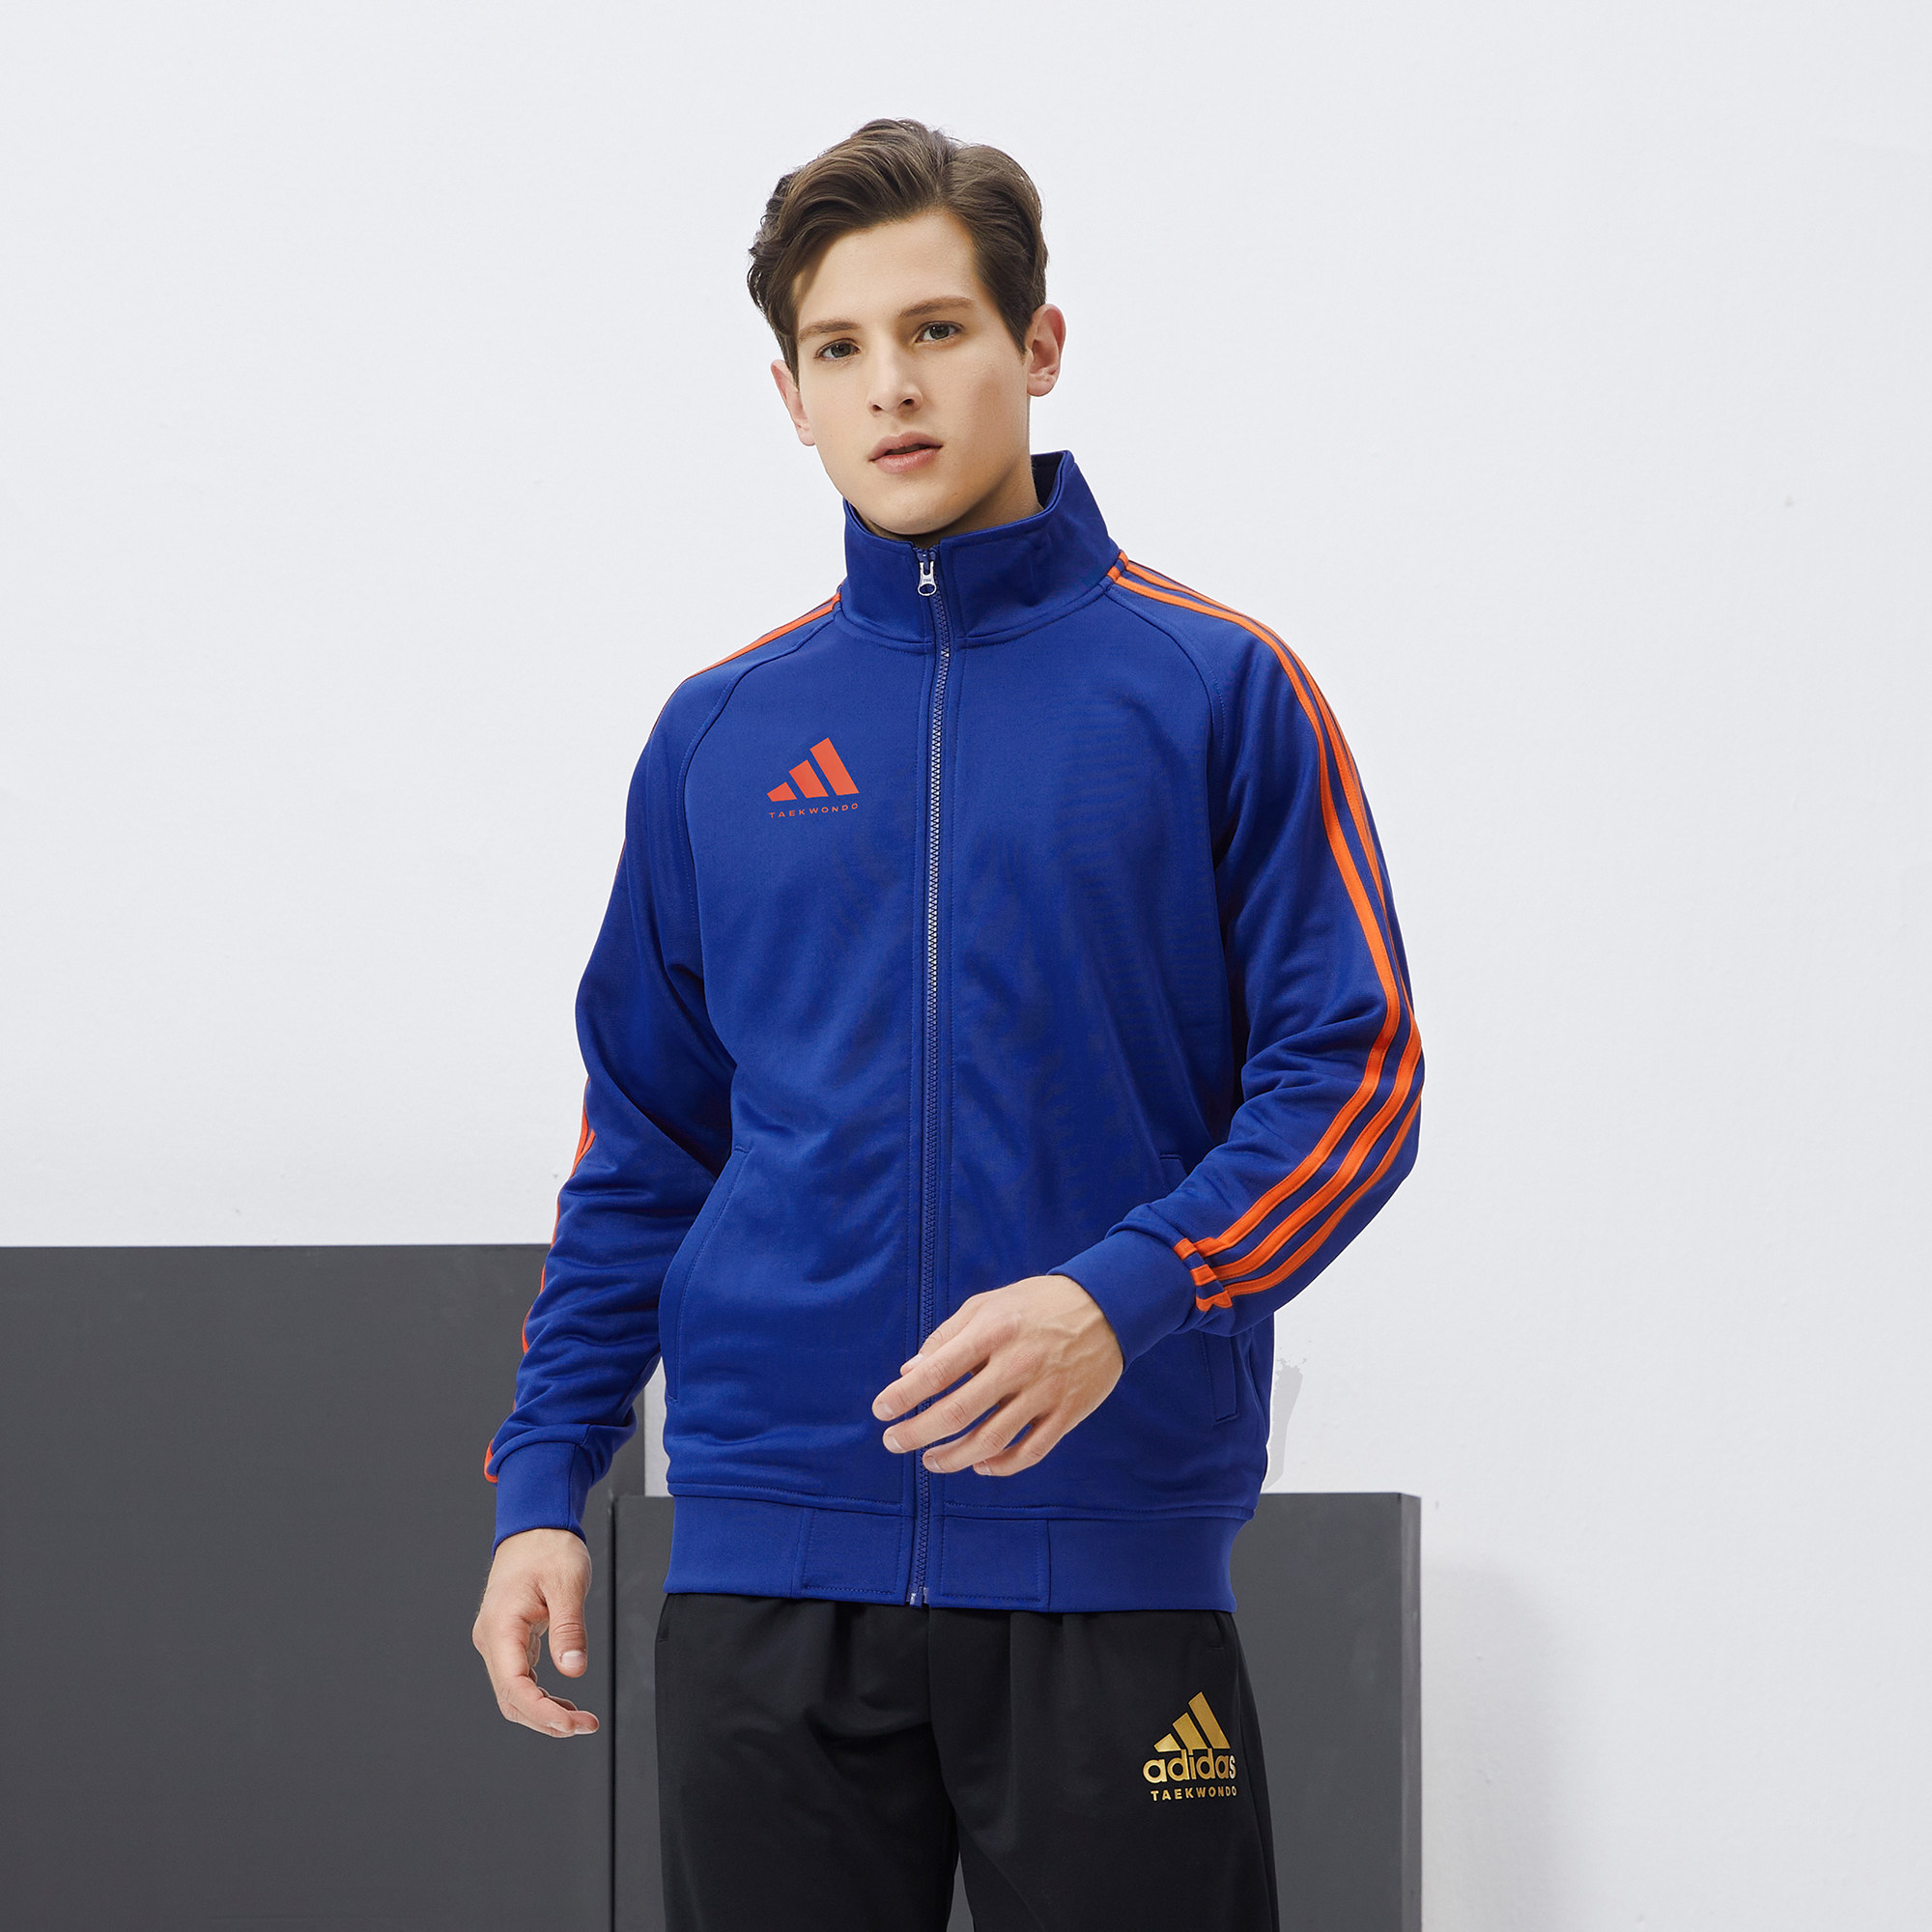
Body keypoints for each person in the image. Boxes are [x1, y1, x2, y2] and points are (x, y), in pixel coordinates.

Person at [471, 116, 1422, 1931]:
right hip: (766, 1585)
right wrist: (540, 1481)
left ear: (1037, 346)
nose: (890, 388)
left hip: (1105, 1557)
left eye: (935, 331)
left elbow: (1354, 1082)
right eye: (839, 349)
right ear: (790, 397)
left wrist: (1123, 1296)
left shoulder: (1215, 688)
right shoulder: (720, 734)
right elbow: (646, 1149)